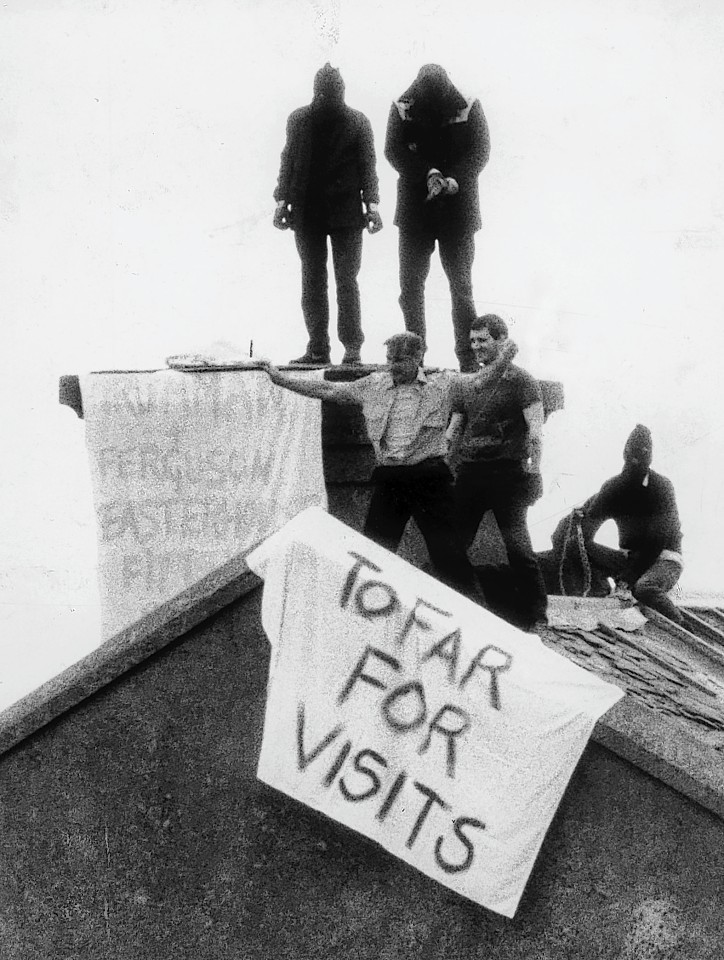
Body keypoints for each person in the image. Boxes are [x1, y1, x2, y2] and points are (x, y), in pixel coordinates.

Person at [258, 332, 514, 603]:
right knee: (374, 553)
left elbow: (479, 382)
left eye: (401, 360)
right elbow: (328, 390)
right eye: (389, 359)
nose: (393, 366)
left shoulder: (443, 384)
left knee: (449, 555)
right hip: (390, 479)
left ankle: (471, 616)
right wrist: (281, 379)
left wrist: (505, 358)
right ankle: (368, 611)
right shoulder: (373, 385)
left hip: (429, 479)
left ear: (418, 358)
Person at [273, 64, 383, 367]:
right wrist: (281, 199)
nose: (329, 97)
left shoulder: (355, 121)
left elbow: (367, 165)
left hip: (342, 213)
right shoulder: (302, 120)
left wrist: (372, 205)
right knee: (318, 279)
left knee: (339, 280)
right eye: (324, 91)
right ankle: (323, 348)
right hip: (311, 211)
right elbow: (288, 159)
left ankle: (347, 349)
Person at [384, 64, 491, 372]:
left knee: (461, 287)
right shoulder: (402, 107)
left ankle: (468, 360)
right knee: (411, 286)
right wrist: (428, 173)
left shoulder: (470, 106)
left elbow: (479, 151)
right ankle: (414, 358)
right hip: (416, 211)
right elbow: (394, 151)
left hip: (457, 212)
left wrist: (453, 180)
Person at [449, 315, 548, 631]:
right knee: (454, 545)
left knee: (518, 547)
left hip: (507, 475)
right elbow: (454, 429)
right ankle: (450, 606)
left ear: (502, 340)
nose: (476, 347)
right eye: (473, 341)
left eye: (483, 340)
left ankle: (537, 615)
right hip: (470, 473)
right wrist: (443, 459)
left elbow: (535, 431)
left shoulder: (523, 381)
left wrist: (536, 470)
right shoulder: (468, 384)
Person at [577, 424, 684, 623]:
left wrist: (628, 578)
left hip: (663, 559)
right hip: (630, 557)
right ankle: (601, 589)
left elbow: (656, 541)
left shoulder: (662, 488)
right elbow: (588, 525)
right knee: (581, 546)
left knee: (645, 588)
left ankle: (681, 625)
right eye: (632, 458)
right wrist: (580, 520)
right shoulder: (613, 486)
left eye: (641, 459)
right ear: (625, 456)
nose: (635, 464)